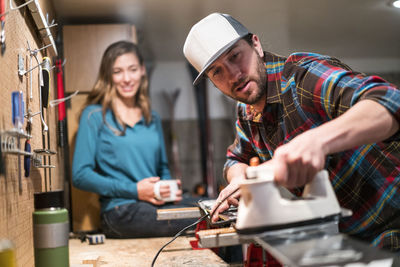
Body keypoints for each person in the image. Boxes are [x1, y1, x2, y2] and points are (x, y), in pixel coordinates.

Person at [183, 13, 400, 252]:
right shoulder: (246, 110)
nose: (233, 75)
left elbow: (390, 100)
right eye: (217, 72)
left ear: (256, 44)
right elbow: (235, 159)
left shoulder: (303, 77)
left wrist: (317, 140)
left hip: (391, 225)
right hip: (346, 237)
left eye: (235, 56)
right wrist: (241, 179)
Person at [72, 41, 198, 238]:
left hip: (155, 206)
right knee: (205, 218)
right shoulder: (94, 115)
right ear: (108, 76)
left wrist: (167, 189)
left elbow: (163, 167)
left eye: (132, 69)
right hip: (120, 212)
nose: (127, 79)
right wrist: (135, 190)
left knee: (216, 208)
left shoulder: (152, 117)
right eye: (118, 71)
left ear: (142, 71)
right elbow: (80, 175)